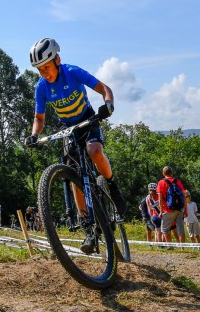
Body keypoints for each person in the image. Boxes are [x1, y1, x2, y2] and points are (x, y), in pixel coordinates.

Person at [23, 38, 127, 254]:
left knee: (94, 151)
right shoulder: (41, 87)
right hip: (68, 127)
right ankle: (86, 224)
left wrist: (108, 105)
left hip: (87, 120)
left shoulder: (73, 72)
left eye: (47, 68)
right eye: (40, 70)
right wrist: (34, 135)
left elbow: (104, 88)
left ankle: (112, 184)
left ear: (57, 60)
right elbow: (39, 118)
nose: (44, 73)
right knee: (73, 172)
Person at [156, 166, 186, 245]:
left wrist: (161, 211)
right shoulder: (178, 181)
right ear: (172, 173)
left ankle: (170, 245)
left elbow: (160, 198)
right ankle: (182, 247)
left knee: (165, 229)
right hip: (179, 209)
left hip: (167, 209)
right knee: (180, 229)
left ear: (163, 173)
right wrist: (185, 209)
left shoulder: (161, 182)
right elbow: (184, 196)